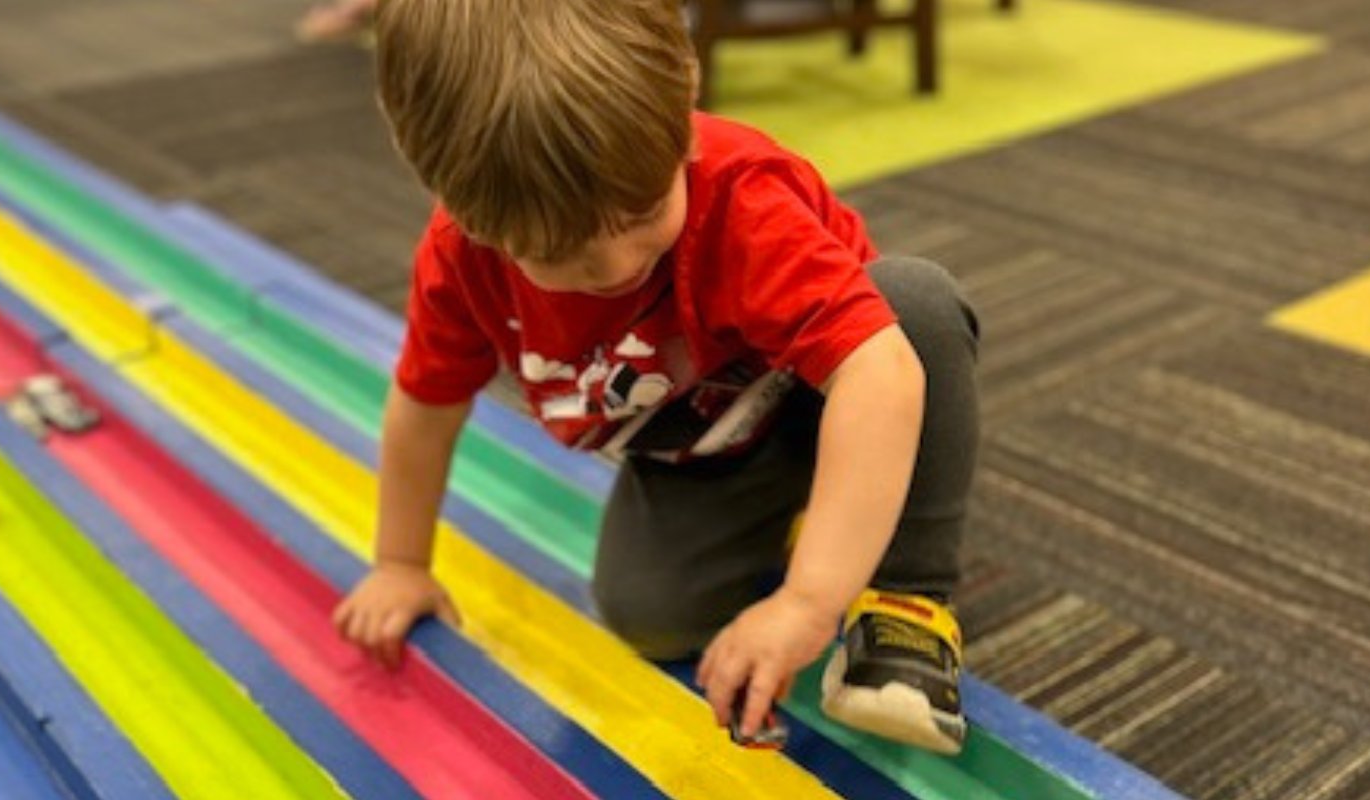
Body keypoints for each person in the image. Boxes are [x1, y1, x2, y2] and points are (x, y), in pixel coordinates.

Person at [330, 0, 981, 755]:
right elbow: (424, 405)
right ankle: (822, 513)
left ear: (687, 92)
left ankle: (906, 597)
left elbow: (881, 374)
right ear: (465, 213)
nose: (616, 266)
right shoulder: (460, 259)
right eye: (560, 251)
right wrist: (401, 563)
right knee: (648, 613)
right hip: (704, 451)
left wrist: (808, 602)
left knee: (916, 307)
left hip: (832, 394)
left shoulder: (743, 197)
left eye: (644, 209)